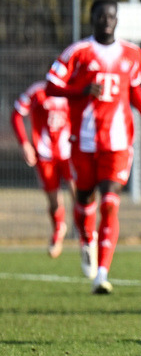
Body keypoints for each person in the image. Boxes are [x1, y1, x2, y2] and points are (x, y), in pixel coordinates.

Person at [45, 0, 141, 294]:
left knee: (110, 203)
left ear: (117, 20)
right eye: (100, 16)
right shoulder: (78, 52)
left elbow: (133, 88)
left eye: (111, 16)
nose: (106, 21)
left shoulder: (132, 53)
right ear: (92, 19)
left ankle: (102, 273)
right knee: (84, 201)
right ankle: (86, 241)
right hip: (83, 141)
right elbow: (51, 86)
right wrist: (79, 90)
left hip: (119, 142)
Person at [10, 80, 74, 257]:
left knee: (80, 195)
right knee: (54, 202)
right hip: (45, 155)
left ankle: (87, 238)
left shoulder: (73, 90)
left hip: (70, 153)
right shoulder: (37, 91)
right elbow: (16, 114)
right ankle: (59, 229)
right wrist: (24, 144)